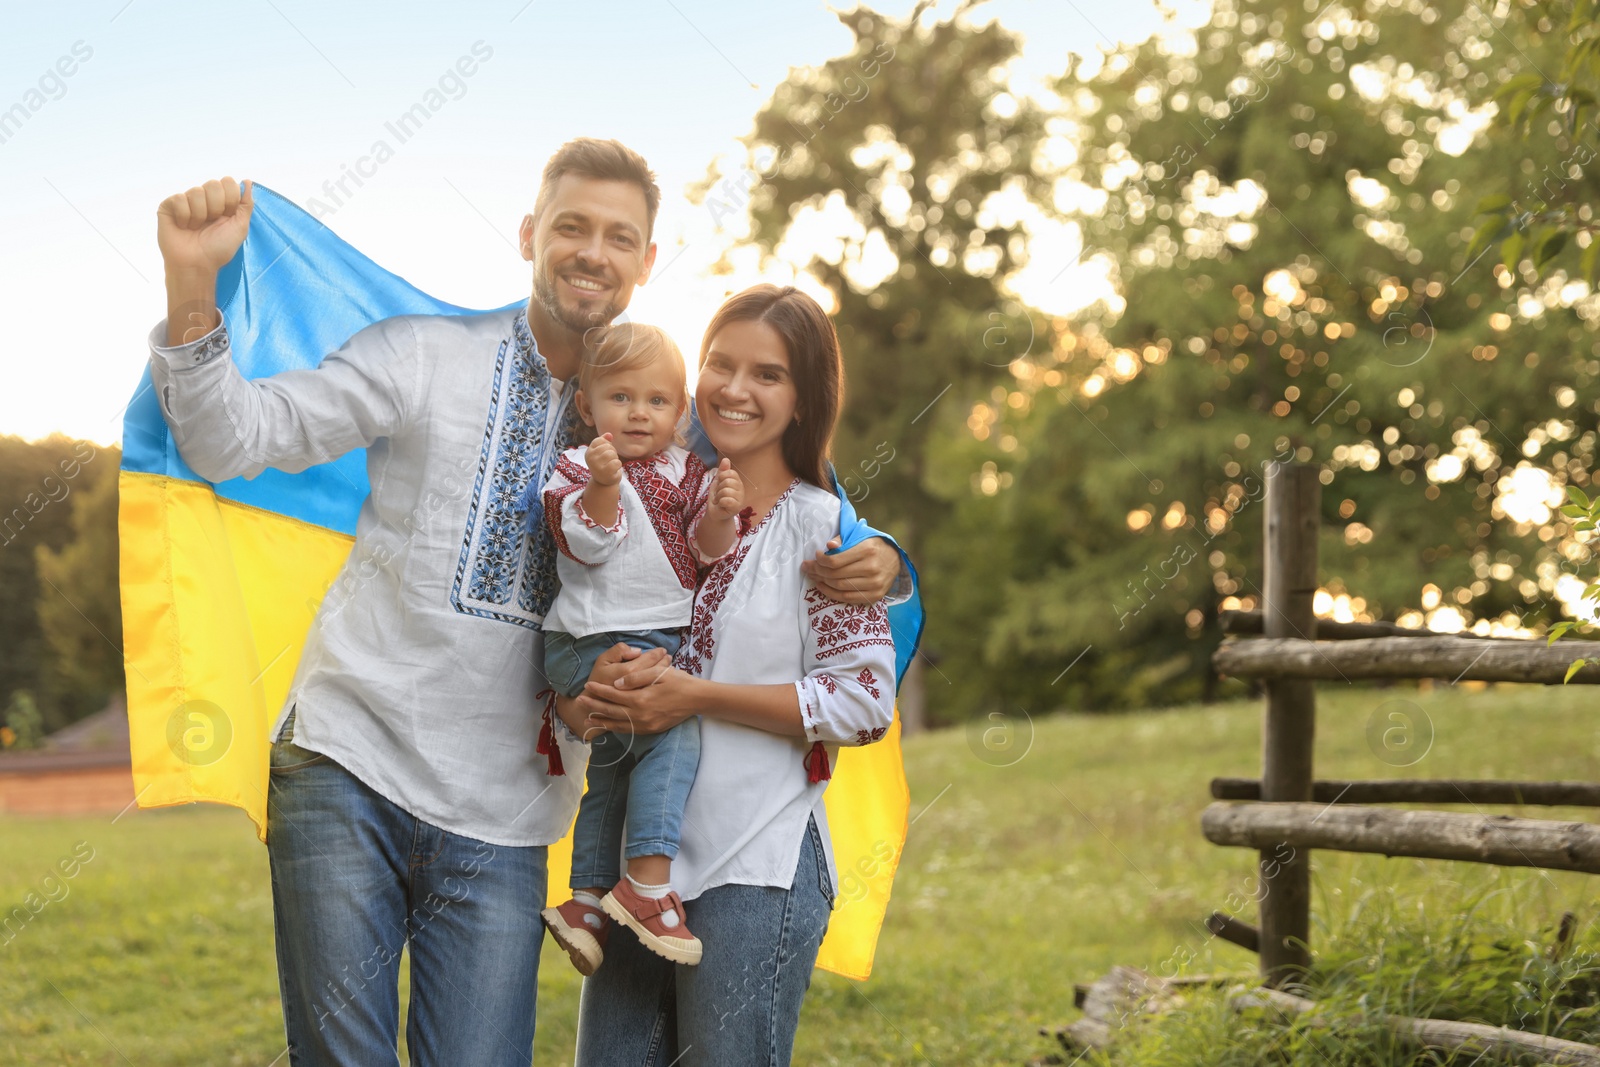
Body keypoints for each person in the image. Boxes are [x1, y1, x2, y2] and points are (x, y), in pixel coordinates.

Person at [146, 139, 906, 1066]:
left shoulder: (669, 412)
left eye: (618, 235)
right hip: (349, 756)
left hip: (508, 815)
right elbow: (234, 439)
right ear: (528, 235)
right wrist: (192, 285)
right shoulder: (422, 355)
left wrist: (886, 557)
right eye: (571, 226)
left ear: (647, 262)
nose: (592, 251)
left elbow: (799, 500)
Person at [570, 284, 900, 1066]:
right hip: (640, 873)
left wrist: (698, 696)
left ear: (804, 396)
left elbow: (864, 701)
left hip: (758, 860)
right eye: (721, 363)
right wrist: (590, 691)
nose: (735, 389)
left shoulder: (827, 532)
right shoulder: (658, 497)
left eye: (768, 374)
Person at [536, 322, 743, 973]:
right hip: (586, 642)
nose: (638, 413)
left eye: (657, 401)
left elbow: (708, 554)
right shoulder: (575, 466)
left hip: (648, 637)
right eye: (620, 397)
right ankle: (649, 884)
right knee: (676, 732)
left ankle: (588, 900)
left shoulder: (688, 471)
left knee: (619, 762)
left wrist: (720, 513)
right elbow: (587, 541)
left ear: (680, 412)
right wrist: (601, 484)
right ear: (587, 405)